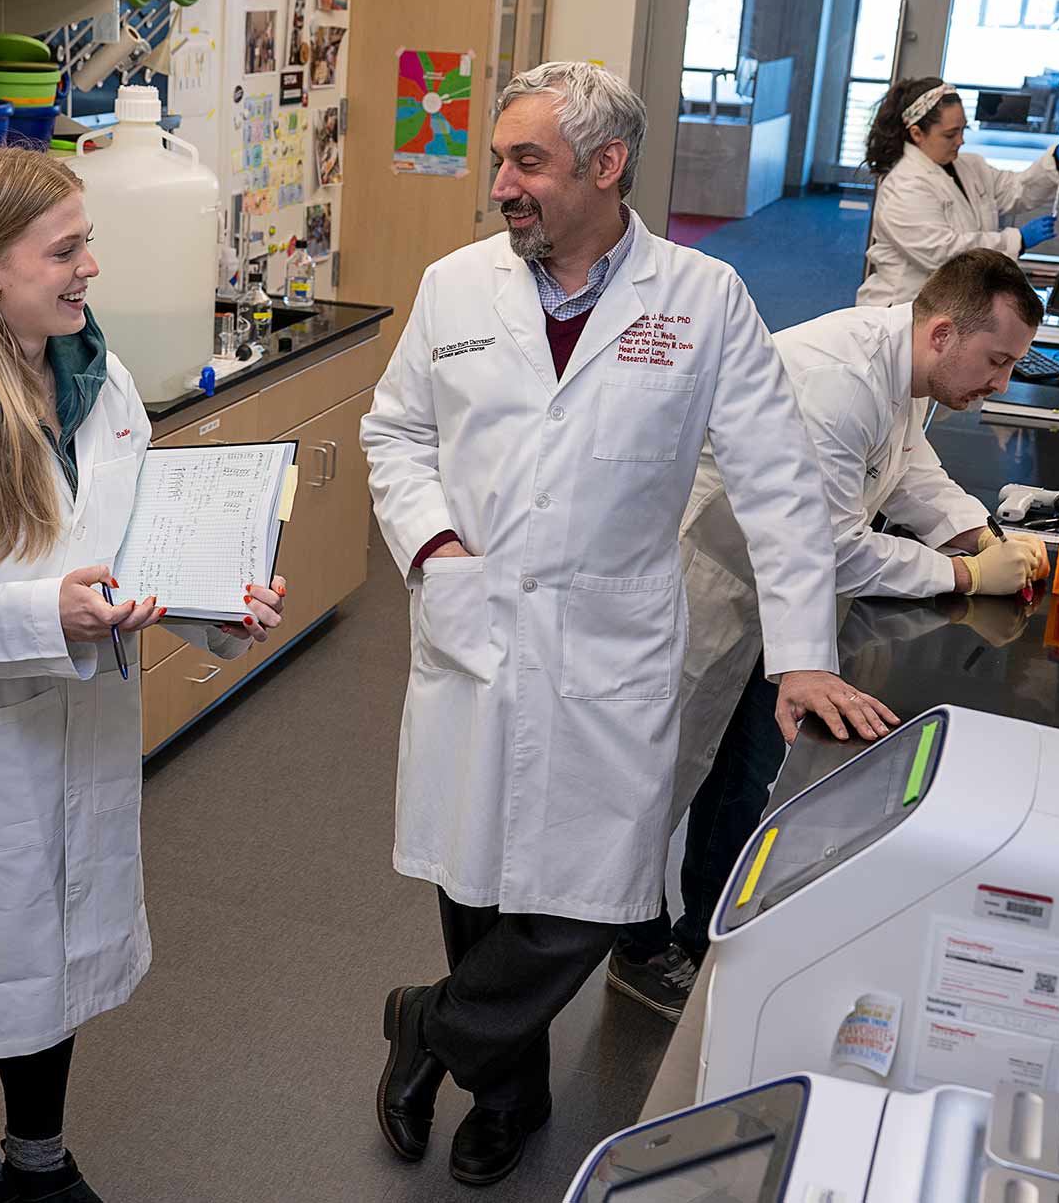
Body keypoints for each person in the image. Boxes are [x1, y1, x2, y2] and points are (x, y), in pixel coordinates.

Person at [359, 61, 896, 1188]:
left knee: (595, 899)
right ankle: (507, 1095)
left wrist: (800, 654)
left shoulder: (702, 301)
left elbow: (781, 485)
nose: (502, 182)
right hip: (476, 623)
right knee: (478, 879)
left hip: (614, 640)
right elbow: (395, 433)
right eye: (499, 157)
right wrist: (432, 544)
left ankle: (432, 1027)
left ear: (606, 168)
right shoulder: (456, 288)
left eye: (529, 162)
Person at [0, 146, 289, 1203]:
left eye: (86, 240)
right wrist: (40, 614)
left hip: (88, 721)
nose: (89, 266)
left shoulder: (101, 381)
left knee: (57, 961)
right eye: (65, 249)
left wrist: (223, 599)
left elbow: (140, 541)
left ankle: (41, 1159)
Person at [607, 248, 1054, 1020]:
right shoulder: (835, 381)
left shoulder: (909, 370)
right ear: (945, 332)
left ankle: (705, 930)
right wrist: (966, 578)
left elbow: (908, 467)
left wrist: (978, 534)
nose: (1001, 385)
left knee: (744, 774)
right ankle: (634, 949)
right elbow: (834, 543)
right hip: (708, 582)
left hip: (778, 596)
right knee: (661, 775)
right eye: (997, 361)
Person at [853, 76, 1059, 310]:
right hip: (903, 310)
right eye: (950, 134)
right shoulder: (903, 186)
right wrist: (1017, 240)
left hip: (952, 305)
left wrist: (1058, 157)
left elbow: (1017, 190)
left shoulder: (970, 166)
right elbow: (943, 253)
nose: (961, 140)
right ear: (917, 134)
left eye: (963, 130)